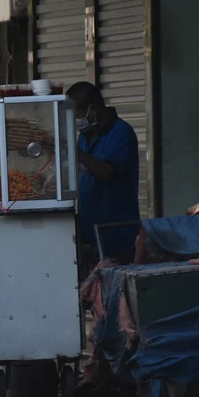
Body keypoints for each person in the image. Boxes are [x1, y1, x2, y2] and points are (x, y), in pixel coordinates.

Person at [66, 81, 140, 264]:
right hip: (90, 233)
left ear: (93, 109)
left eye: (77, 116)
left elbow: (106, 171)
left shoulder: (121, 133)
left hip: (117, 236)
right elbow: (83, 171)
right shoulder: (85, 135)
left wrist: (76, 153)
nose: (75, 122)